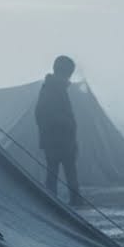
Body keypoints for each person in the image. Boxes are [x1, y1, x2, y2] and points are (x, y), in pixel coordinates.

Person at [35, 55, 84, 206]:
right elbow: (42, 114)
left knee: (63, 173)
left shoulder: (56, 88)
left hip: (61, 140)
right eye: (68, 74)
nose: (69, 78)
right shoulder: (51, 89)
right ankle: (54, 204)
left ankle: (63, 202)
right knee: (56, 174)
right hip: (57, 141)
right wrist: (66, 124)